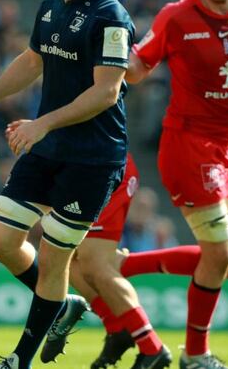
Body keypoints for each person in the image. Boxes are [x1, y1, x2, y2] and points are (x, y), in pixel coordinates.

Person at [0, 0, 134, 369]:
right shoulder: (51, 2)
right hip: (49, 145)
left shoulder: (111, 17)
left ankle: (20, 359)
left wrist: (42, 123)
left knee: (54, 259)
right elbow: (32, 60)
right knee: (0, 239)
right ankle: (63, 304)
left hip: (92, 157)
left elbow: (107, 92)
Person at [126, 0, 228, 369]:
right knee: (218, 254)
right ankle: (195, 356)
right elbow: (138, 68)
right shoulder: (177, 17)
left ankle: (121, 270)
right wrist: (109, 54)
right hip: (187, 143)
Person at [40, 154, 171, 368]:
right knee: (63, 255)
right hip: (82, 168)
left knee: (96, 264)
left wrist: (40, 126)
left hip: (106, 166)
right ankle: (117, 327)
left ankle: (152, 347)